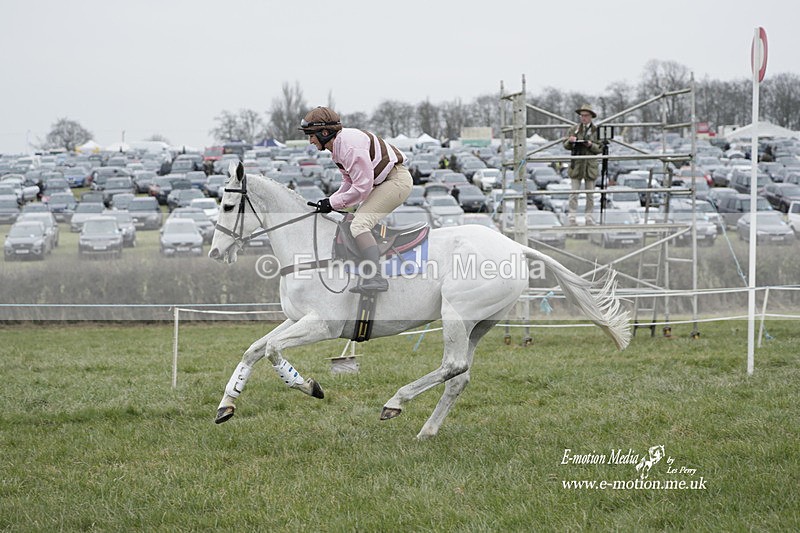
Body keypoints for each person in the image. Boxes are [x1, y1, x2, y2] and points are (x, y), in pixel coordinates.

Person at [300, 106, 413, 293]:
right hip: (385, 181)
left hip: (395, 181)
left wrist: (333, 203)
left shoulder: (348, 147)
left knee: (359, 225)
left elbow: (362, 188)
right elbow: (348, 181)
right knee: (352, 221)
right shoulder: (338, 146)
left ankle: (376, 278)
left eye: (311, 135)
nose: (310, 141)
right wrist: (330, 200)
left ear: (325, 132)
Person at [563, 103, 603, 225]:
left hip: (590, 166)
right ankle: (572, 216)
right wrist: (570, 141)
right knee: (574, 193)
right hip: (577, 165)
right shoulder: (573, 129)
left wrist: (591, 145)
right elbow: (565, 145)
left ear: (591, 117)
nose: (583, 118)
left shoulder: (596, 131)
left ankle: (589, 217)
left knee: (590, 195)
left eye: (586, 115)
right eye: (582, 116)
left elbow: (601, 148)